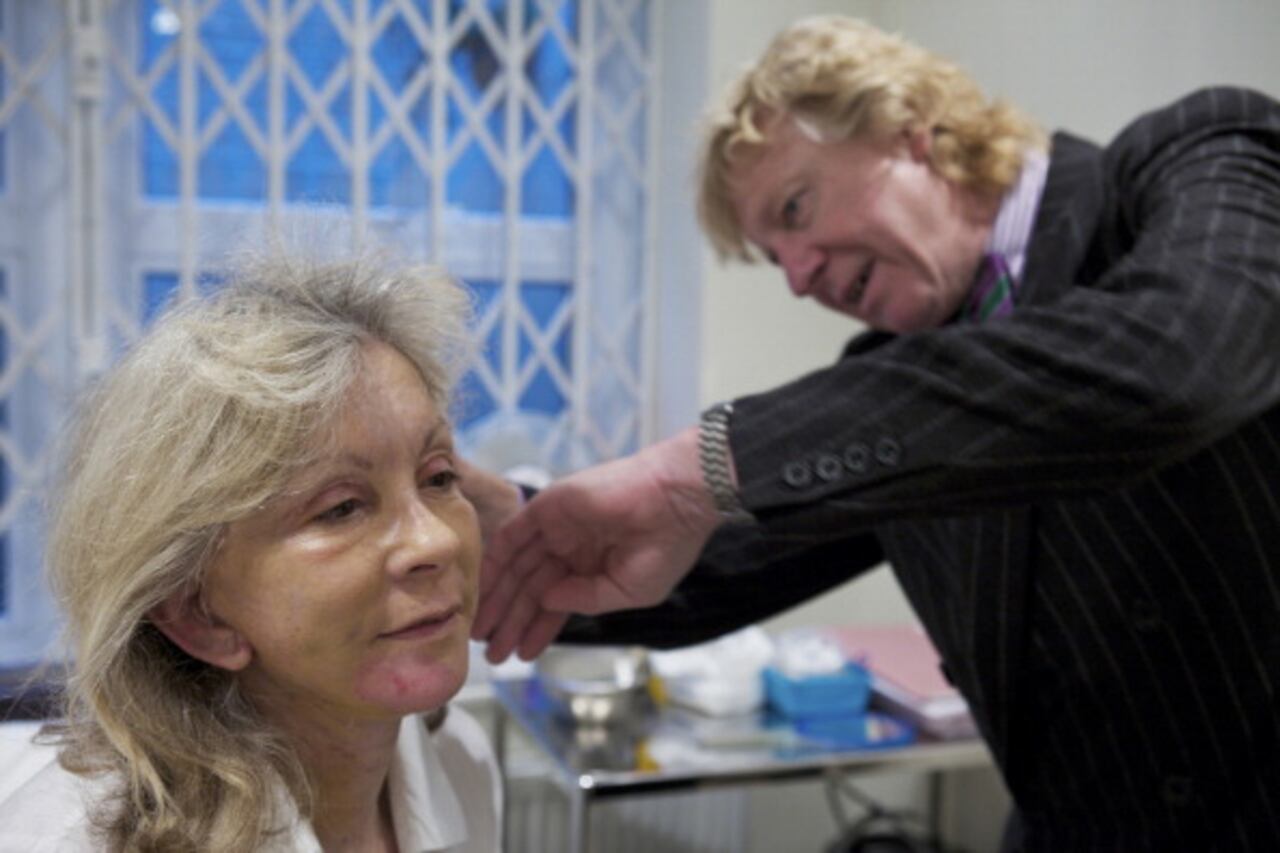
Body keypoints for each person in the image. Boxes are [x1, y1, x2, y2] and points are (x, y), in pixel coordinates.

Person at [468, 14, 1280, 851]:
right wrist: (507, 541)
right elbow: (709, 557)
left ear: (908, 127)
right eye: (773, 257)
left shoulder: (1197, 155)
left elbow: (1185, 357)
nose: (798, 277)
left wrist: (702, 463)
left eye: (796, 207)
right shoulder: (892, 383)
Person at [0, 248, 501, 851]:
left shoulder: (463, 764)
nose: (437, 540)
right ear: (197, 613)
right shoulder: (69, 840)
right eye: (341, 508)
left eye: (438, 476)